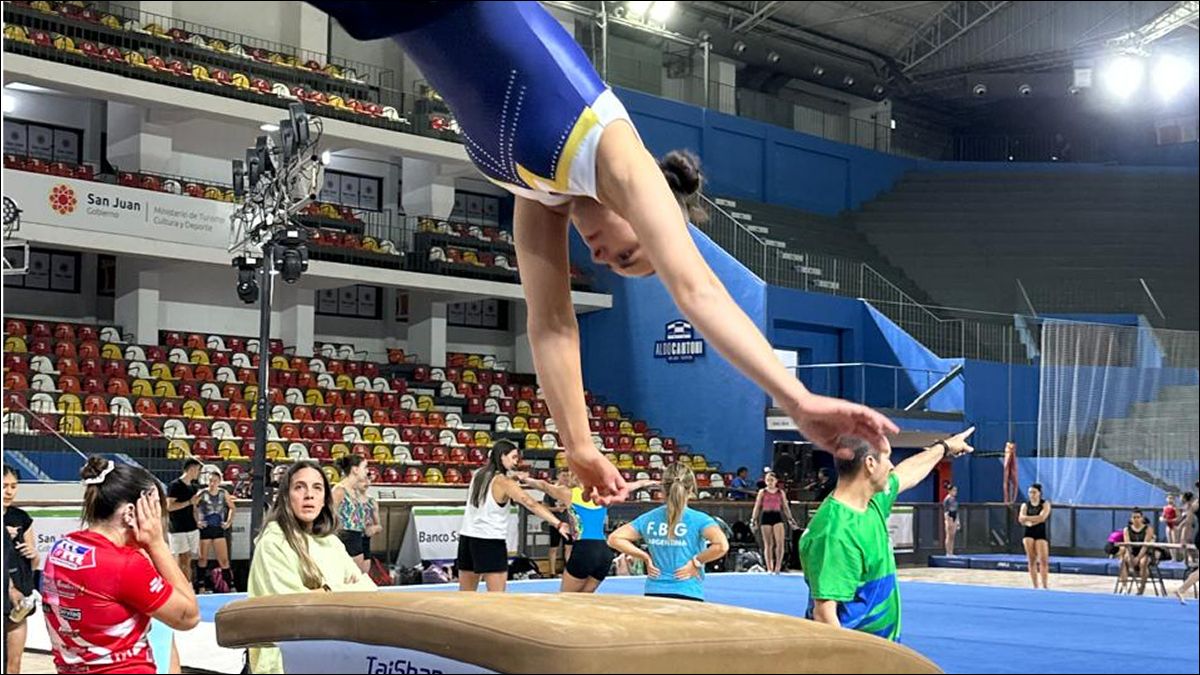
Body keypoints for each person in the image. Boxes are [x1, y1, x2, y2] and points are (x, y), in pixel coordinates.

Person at [313, 0, 898, 505]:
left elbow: (551, 326)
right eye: (628, 255)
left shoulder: (540, 193)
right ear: (654, 208)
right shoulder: (615, 150)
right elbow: (697, 290)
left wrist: (580, 445)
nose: (605, 259)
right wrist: (794, 399)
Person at [800, 428, 975, 641]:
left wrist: (945, 447)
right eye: (887, 458)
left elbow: (906, 473)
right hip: (860, 657)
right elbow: (825, 616)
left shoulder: (871, 502)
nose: (891, 466)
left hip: (882, 651)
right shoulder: (834, 533)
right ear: (870, 464)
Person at [41, 457, 199, 674]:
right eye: (154, 511)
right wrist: (157, 544)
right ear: (131, 513)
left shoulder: (60, 548)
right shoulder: (124, 564)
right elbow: (188, 617)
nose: (158, 521)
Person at [246, 461, 377, 674]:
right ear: (287, 496)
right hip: (285, 663)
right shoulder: (273, 543)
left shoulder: (331, 542)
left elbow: (369, 591)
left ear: (325, 499)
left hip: (331, 655)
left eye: (317, 488)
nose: (309, 495)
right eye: (300, 487)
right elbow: (293, 607)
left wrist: (322, 591)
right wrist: (339, 590)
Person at [458, 440, 571, 593]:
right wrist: (557, 523)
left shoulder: (478, 474)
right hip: (490, 540)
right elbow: (530, 502)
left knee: (465, 594)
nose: (516, 462)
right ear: (502, 456)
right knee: (497, 596)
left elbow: (497, 484)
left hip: (467, 538)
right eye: (513, 457)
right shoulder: (504, 482)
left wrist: (515, 478)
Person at [607, 463, 729, 602]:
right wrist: (696, 562)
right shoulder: (701, 520)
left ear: (663, 490)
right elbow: (721, 546)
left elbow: (614, 538)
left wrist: (645, 557)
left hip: (655, 591)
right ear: (691, 490)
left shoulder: (649, 518)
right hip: (688, 590)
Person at [520, 472, 656, 592]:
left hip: (584, 550)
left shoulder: (570, 493)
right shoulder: (604, 493)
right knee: (585, 600)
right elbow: (629, 486)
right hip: (604, 552)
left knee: (565, 600)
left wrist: (525, 479)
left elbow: (544, 486)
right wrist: (647, 482)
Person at [4, 465, 39, 673]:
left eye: (14, 486)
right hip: (6, 594)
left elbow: (34, 565)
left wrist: (33, 554)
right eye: (4, 486)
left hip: (20, 599)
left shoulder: (21, 517)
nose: (9, 491)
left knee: (14, 663)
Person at [195, 470, 236, 593]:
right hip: (206, 528)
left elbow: (232, 508)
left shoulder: (223, 493)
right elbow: (193, 506)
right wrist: (197, 521)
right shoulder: (202, 493)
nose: (212, 483)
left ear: (219, 481)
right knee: (203, 559)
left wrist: (228, 522)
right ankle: (201, 586)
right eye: (210, 481)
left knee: (223, 560)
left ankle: (230, 585)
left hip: (218, 528)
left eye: (215, 481)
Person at [165, 458, 203, 589]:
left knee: (188, 559)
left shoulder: (193, 487)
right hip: (178, 527)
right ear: (191, 469)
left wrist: (197, 520)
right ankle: (184, 587)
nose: (198, 473)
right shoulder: (175, 485)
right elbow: (169, 506)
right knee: (181, 558)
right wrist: (189, 502)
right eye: (197, 470)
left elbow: (194, 507)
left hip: (191, 526)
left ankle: (186, 585)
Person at [750, 472, 798, 574]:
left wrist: (790, 519)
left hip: (777, 516)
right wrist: (753, 519)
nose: (770, 482)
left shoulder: (780, 492)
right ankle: (769, 567)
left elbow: (785, 507)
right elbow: (757, 506)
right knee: (768, 544)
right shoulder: (762, 492)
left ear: (776, 481)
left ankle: (778, 567)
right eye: (768, 480)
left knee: (780, 543)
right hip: (766, 516)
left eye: (772, 480)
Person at [331, 455, 371, 573]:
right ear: (355, 470)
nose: (367, 471)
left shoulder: (356, 491)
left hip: (358, 536)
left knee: (360, 577)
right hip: (345, 537)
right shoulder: (339, 490)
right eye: (365, 467)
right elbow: (328, 517)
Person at [1018, 483, 1051, 589]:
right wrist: (1031, 519)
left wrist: (1029, 519)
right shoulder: (1025, 505)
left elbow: (1042, 517)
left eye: (1034, 492)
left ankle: (1045, 585)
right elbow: (1021, 519)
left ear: (1039, 493)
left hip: (1040, 532)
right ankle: (1035, 586)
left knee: (1043, 560)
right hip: (1028, 533)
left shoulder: (1045, 504)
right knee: (1031, 559)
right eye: (1030, 492)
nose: (1032, 495)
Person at [540, 470, 572, 576]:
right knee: (554, 547)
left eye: (567, 475)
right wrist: (556, 509)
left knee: (569, 547)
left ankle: (568, 570)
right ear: (558, 476)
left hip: (568, 523)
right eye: (563, 475)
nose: (565, 478)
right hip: (555, 523)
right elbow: (544, 507)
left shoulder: (570, 490)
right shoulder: (551, 490)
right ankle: (552, 572)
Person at [1119, 508, 1155, 595]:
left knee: (1143, 563)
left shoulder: (1148, 529)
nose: (1136, 519)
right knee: (1123, 561)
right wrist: (1131, 557)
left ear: (1142, 518)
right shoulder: (1126, 530)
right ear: (1131, 519)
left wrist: (1138, 558)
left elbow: (1146, 545)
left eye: (1138, 517)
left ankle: (1141, 588)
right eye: (1134, 517)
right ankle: (1124, 587)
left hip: (1144, 552)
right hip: (1132, 552)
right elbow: (1128, 544)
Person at [942, 484, 959, 557]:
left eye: (956, 490)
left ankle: (951, 552)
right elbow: (946, 511)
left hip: (954, 516)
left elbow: (956, 510)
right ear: (949, 491)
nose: (955, 492)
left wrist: (958, 521)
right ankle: (948, 552)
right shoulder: (947, 499)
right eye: (954, 490)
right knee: (949, 536)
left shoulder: (954, 499)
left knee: (952, 536)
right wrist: (948, 521)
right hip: (949, 517)